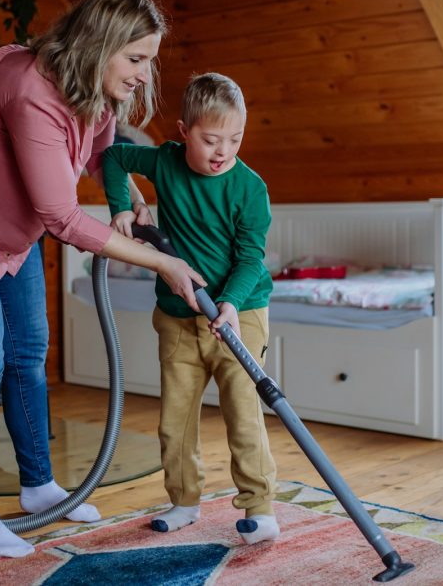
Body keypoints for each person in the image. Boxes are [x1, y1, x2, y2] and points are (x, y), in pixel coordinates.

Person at [0, 0, 205, 559]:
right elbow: (60, 216)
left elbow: (100, 156)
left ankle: (37, 487)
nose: (141, 74)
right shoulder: (30, 88)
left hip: (8, 222)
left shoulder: (99, 93)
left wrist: (126, 196)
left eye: (148, 62)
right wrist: (162, 260)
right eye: (135, 59)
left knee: (29, 347)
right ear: (98, 43)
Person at [102, 72, 280, 545]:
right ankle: (183, 501)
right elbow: (114, 155)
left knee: (243, 412)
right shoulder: (165, 162)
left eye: (235, 139)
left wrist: (229, 303)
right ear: (184, 132)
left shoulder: (249, 189)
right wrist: (122, 206)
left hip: (239, 313)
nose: (223, 151)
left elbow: (250, 259)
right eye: (210, 139)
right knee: (175, 417)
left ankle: (260, 509)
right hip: (178, 316)